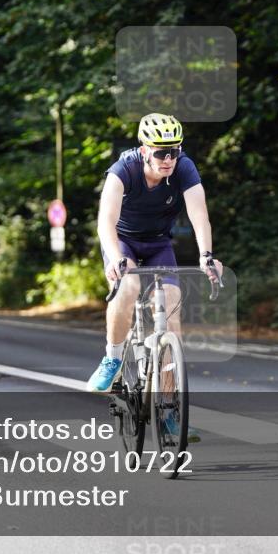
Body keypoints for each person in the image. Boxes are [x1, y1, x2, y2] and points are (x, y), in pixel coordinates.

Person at [87, 113, 223, 408]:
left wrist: (206, 255)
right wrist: (115, 258)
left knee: (172, 315)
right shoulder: (123, 169)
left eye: (174, 151)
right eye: (161, 152)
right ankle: (112, 359)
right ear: (144, 149)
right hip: (123, 242)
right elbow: (105, 222)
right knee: (129, 287)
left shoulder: (184, 168)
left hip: (158, 243)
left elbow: (199, 215)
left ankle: (169, 404)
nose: (169, 158)